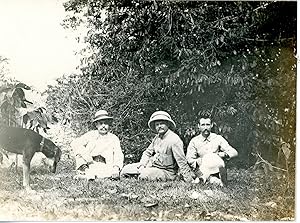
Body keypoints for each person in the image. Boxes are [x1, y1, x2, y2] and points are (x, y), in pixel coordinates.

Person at [120, 111, 194, 182]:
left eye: (162, 124)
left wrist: (189, 179)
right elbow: (147, 152)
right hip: (151, 166)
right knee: (125, 170)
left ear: (168, 124)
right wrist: (142, 164)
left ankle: (139, 175)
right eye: (157, 124)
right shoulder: (157, 138)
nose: (159, 126)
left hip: (166, 172)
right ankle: (138, 174)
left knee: (144, 175)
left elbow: (181, 161)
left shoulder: (174, 140)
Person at [71, 110, 124, 180]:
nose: (103, 126)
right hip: (90, 164)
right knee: (78, 152)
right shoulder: (91, 135)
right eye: (101, 123)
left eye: (106, 123)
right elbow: (75, 143)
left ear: (109, 124)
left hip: (105, 165)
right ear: (96, 125)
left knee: (108, 173)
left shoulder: (113, 138)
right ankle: (87, 173)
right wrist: (87, 157)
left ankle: (88, 176)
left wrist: (116, 168)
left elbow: (118, 154)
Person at [186, 116, 238, 186]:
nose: (205, 128)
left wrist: (224, 154)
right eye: (203, 125)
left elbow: (234, 152)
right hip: (202, 167)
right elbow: (189, 158)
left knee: (214, 172)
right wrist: (199, 161)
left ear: (211, 125)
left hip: (216, 167)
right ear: (199, 126)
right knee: (204, 177)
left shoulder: (218, 138)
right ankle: (208, 179)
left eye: (207, 125)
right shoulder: (194, 141)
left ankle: (218, 177)